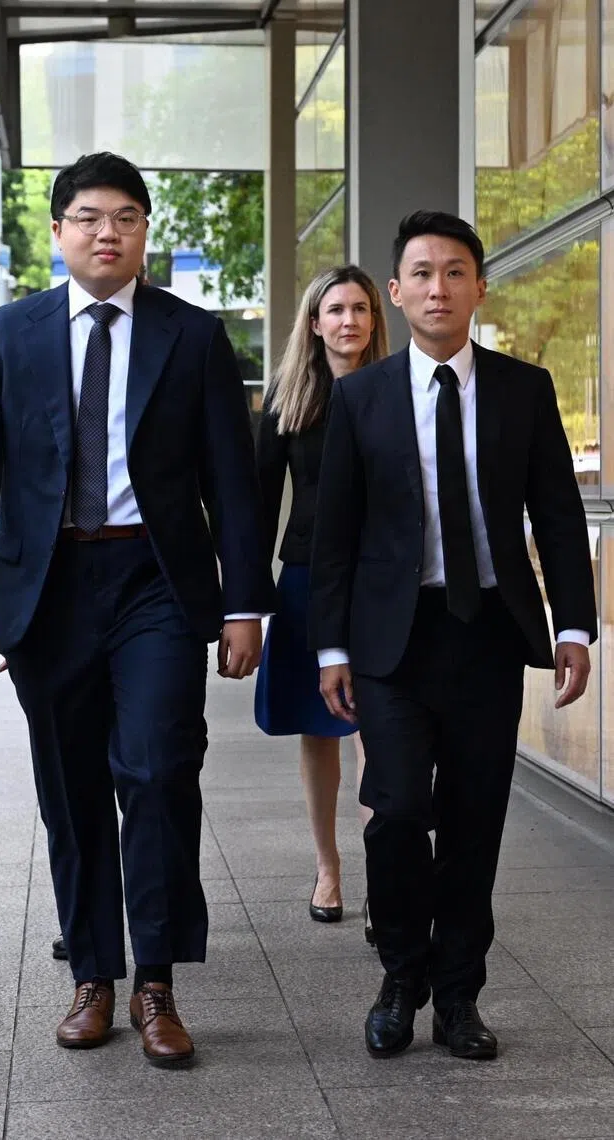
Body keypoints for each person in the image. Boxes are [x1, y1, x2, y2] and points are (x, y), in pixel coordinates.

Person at [0, 152, 274, 1068]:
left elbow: (232, 488)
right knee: (72, 787)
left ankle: (155, 981)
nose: (106, 233)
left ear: (144, 232)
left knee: (159, 767)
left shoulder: (193, 336)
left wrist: (245, 605)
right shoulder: (9, 336)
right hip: (45, 591)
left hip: (153, 582)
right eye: (88, 217)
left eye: (126, 217)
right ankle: (93, 972)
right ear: (58, 231)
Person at [310, 211, 596, 1062]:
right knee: (397, 811)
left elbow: (555, 513)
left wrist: (574, 626)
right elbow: (336, 535)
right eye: (422, 274)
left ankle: (460, 995)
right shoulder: (360, 398)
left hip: (487, 636)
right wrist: (331, 649)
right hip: (393, 642)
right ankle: (402, 973)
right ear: (396, 293)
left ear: (479, 285)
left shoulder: (524, 388)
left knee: (476, 821)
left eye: (456, 272)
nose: (439, 288)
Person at [255, 266, 388, 937]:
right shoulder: (289, 397)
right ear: (314, 323)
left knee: (377, 727)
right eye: (335, 310)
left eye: (360, 309)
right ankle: (328, 868)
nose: (348, 321)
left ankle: (384, 879)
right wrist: (241, 602)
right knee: (321, 728)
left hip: (381, 582)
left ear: (374, 321)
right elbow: (254, 501)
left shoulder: (396, 390)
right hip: (308, 576)